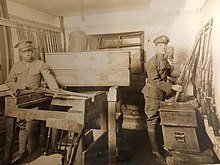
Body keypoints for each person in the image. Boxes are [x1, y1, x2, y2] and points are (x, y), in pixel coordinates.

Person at [5, 40, 60, 162]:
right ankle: (21, 153)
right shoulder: (16, 66)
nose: (28, 54)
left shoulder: (40, 64)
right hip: (21, 100)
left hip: (35, 101)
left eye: (29, 51)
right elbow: (9, 82)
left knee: (32, 126)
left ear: (32, 51)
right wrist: (18, 87)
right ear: (20, 54)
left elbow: (48, 77)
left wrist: (55, 89)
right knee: (22, 126)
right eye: (24, 52)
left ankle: (31, 155)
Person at [141, 35, 182, 164]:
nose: (163, 48)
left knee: (160, 120)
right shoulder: (151, 62)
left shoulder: (165, 60)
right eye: (160, 46)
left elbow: (171, 73)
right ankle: (155, 152)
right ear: (156, 47)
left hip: (161, 94)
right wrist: (173, 86)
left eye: (164, 45)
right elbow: (155, 81)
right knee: (152, 120)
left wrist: (181, 69)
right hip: (152, 95)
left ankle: (161, 147)